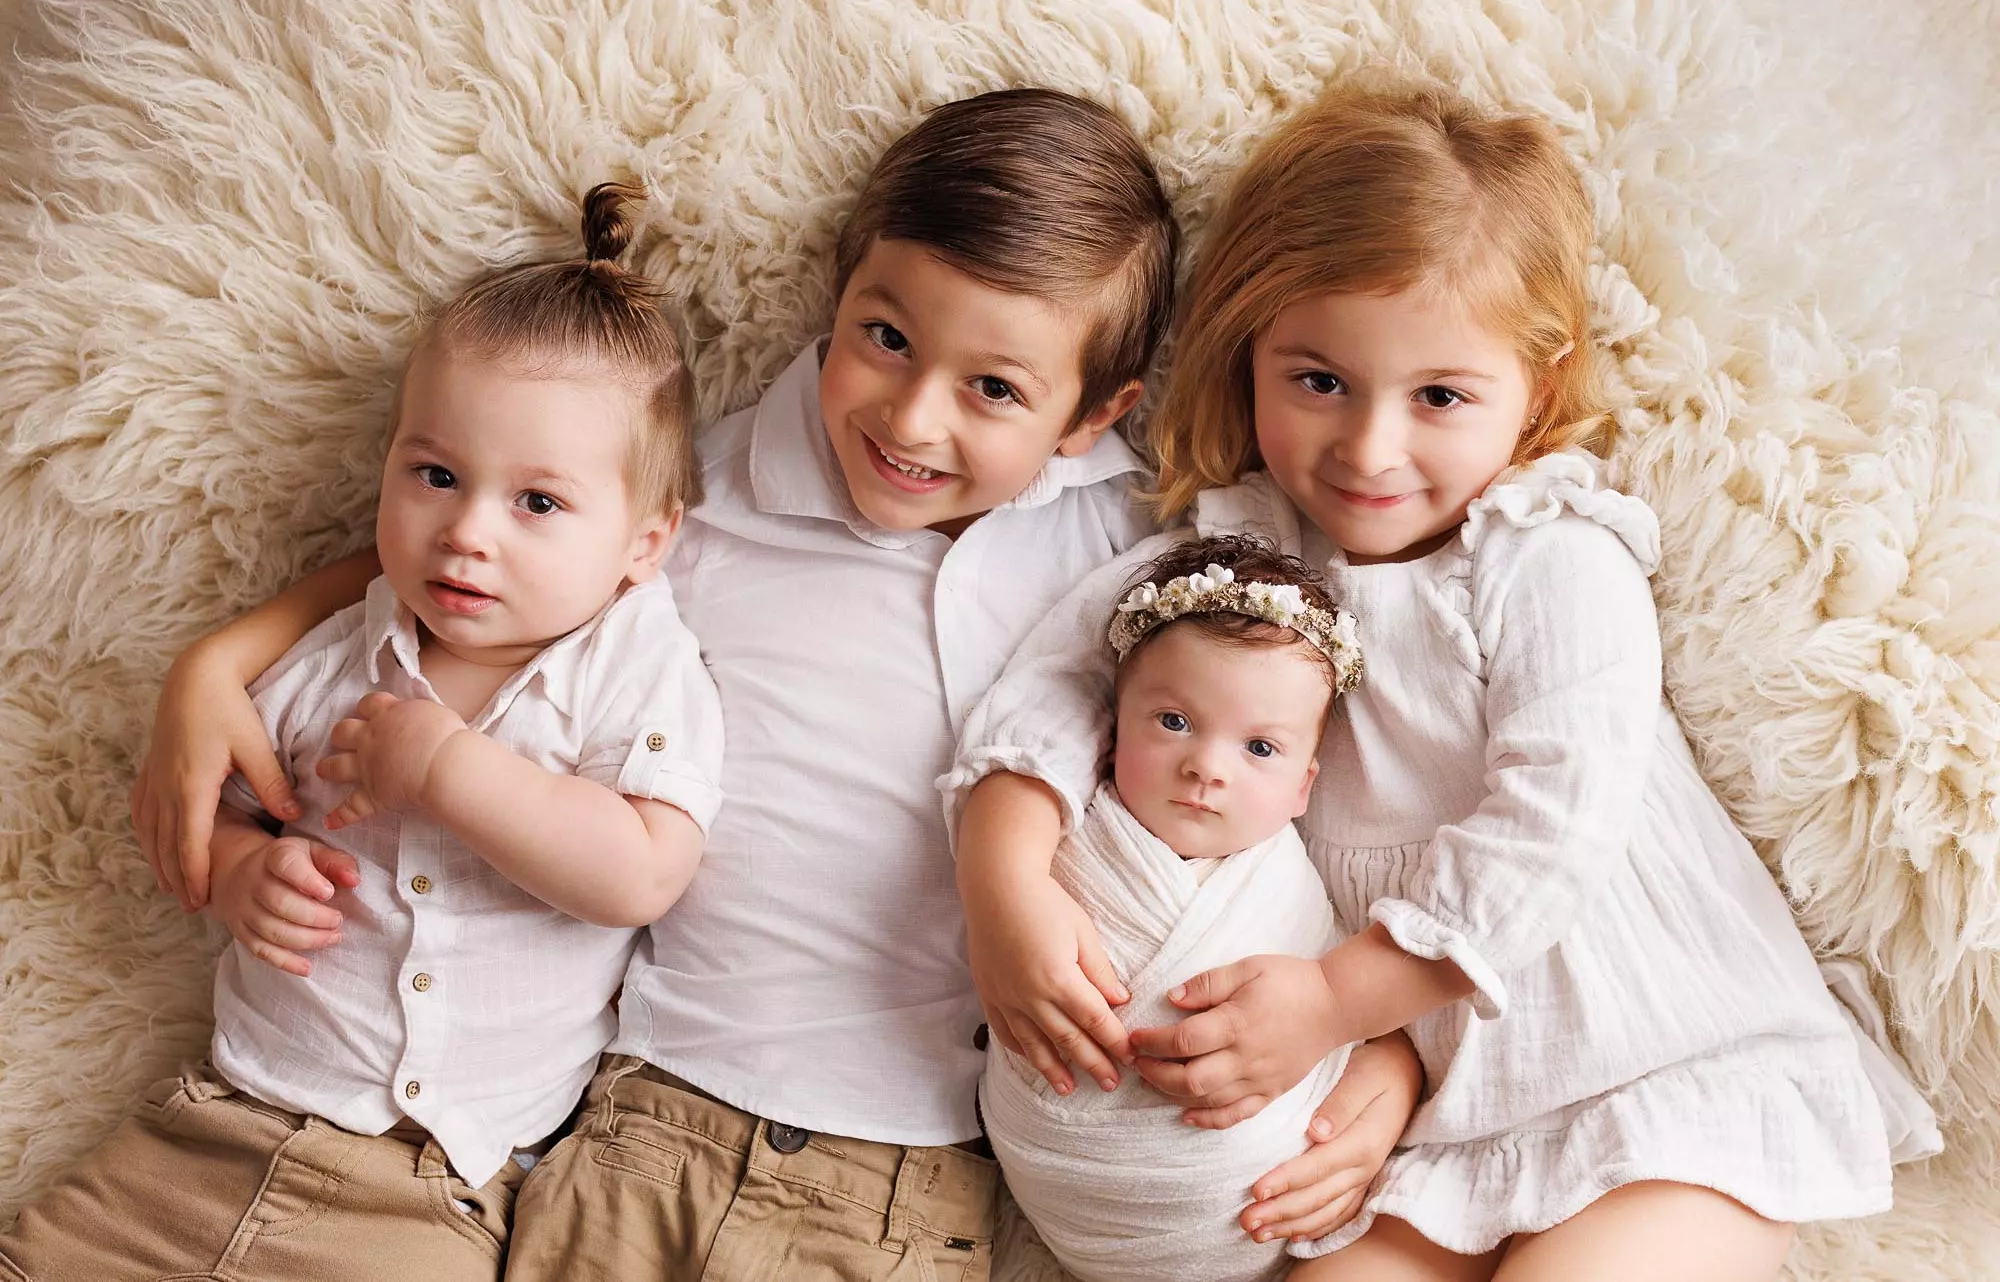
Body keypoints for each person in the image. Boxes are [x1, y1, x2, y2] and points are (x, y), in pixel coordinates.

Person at [125, 90, 1423, 1281]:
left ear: (1092, 414)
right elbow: (484, 555)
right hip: (647, 1109)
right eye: (884, 337)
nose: (912, 418)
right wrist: (220, 659)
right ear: (834, 296)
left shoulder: (1135, 547)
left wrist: (1385, 1060)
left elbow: (1325, 795)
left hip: (914, 1161)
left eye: (993, 388)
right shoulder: (704, 499)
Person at [950, 78, 1941, 1282]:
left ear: (1537, 388)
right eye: (1318, 380)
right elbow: (1056, 684)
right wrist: (1002, 881)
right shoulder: (1233, 558)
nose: (1369, 447)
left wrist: (1333, 1002)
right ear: (1246, 350)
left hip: (1664, 1070)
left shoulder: (1543, 553)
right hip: (1438, 1120)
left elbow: (1549, 829)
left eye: (1439, 396)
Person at [0, 183, 723, 1282]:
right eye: (435, 475)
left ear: (644, 541)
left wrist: (446, 767)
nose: (466, 531)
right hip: (212, 1127)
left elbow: (640, 875)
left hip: (428, 1189)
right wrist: (241, 874)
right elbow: (215, 808)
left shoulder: (635, 667)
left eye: (537, 503)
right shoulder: (335, 656)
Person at [981, 532, 1370, 1282]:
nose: (1206, 767)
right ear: (1110, 730)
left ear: (1304, 786)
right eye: (1173, 722)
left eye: (1260, 748)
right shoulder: (1061, 833)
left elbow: (1360, 1032)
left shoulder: (1296, 892)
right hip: (1065, 1181)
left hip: (1258, 1217)